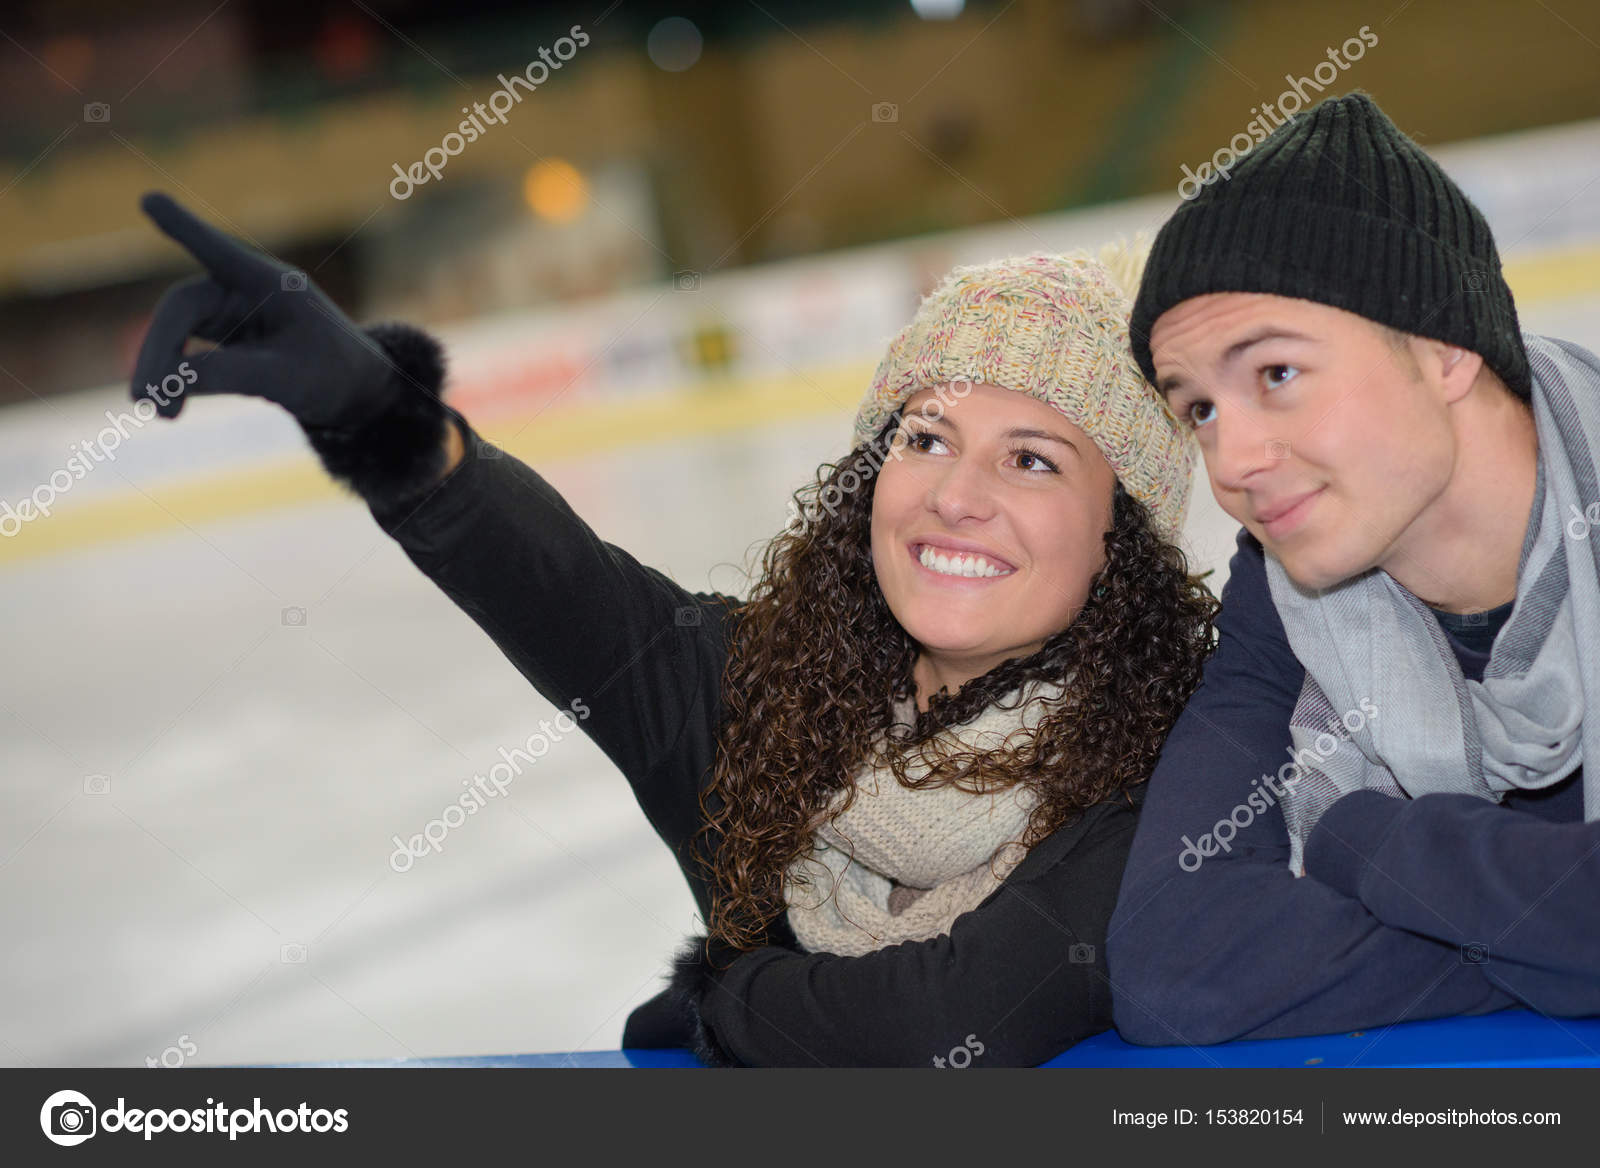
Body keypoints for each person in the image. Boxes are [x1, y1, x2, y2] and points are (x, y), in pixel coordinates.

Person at [129, 194, 1216, 1065]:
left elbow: (940, 1027)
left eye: (1031, 458)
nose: (954, 495)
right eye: (924, 437)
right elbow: (548, 576)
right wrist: (375, 412)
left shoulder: (1169, 763)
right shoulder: (756, 691)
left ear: (1119, 537)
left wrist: (715, 1000)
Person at [1108, 90, 1600, 1047]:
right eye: (1199, 409)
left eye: (1276, 375)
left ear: (1445, 348)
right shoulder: (1283, 591)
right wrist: (1555, 928)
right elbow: (1176, 966)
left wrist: (1359, 840)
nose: (1235, 462)